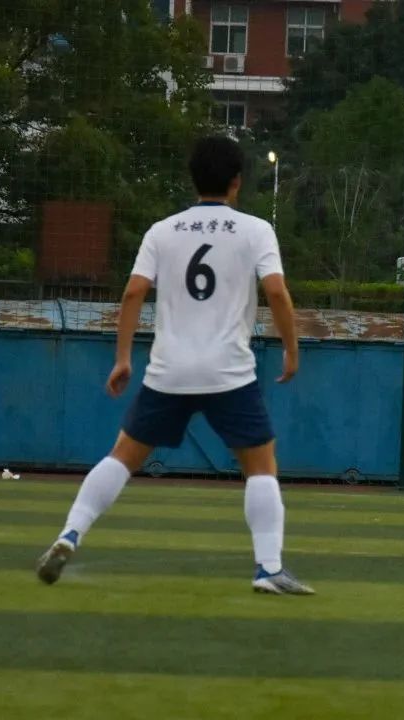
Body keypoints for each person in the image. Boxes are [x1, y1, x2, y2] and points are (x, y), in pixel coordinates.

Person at [36, 136, 314, 595]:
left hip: (169, 370)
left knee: (122, 457)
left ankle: (70, 534)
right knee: (261, 465)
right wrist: (292, 349)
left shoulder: (161, 231)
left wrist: (123, 358)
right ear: (237, 181)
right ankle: (268, 569)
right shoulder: (256, 230)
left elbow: (132, 292)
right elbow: (277, 292)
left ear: (193, 179)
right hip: (228, 370)